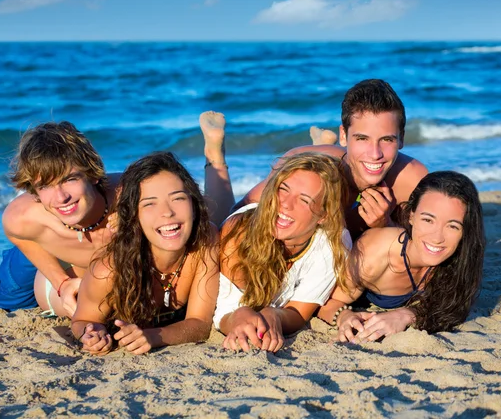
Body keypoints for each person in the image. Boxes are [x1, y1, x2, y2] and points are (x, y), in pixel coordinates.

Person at [200, 111, 351, 353]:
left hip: (301, 224)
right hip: (244, 222)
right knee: (216, 218)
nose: (285, 204)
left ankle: (320, 148)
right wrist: (238, 316)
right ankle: (215, 152)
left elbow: (300, 311)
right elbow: (223, 309)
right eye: (283, 189)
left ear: (324, 216)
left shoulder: (334, 242)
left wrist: (275, 315)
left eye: (304, 200)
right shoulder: (238, 237)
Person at [236, 79, 428, 239]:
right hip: (324, 162)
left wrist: (385, 224)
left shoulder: (413, 180)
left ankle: (322, 141)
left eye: (386, 139)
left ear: (401, 138)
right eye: (362, 138)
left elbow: (425, 250)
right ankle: (216, 156)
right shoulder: (300, 166)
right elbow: (238, 214)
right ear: (344, 135)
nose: (375, 153)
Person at [71, 152, 218, 355]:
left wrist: (153, 336)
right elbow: (81, 320)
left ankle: (215, 154)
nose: (167, 212)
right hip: (69, 282)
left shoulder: (205, 240)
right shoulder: (108, 270)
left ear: (193, 203)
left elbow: (200, 325)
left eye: (178, 198)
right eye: (149, 203)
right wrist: (90, 333)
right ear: (134, 215)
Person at [319, 171, 485, 341]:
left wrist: (407, 315)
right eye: (428, 220)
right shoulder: (373, 254)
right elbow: (326, 303)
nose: (437, 238)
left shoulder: (460, 257)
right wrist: (344, 316)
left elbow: (456, 308)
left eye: (452, 226)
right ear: (411, 216)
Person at [0, 121, 120, 317]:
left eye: (69, 179)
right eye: (45, 186)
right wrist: (61, 282)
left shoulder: (130, 196)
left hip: (84, 259)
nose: (61, 197)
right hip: (47, 242)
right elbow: (14, 230)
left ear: (92, 173)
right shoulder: (23, 217)